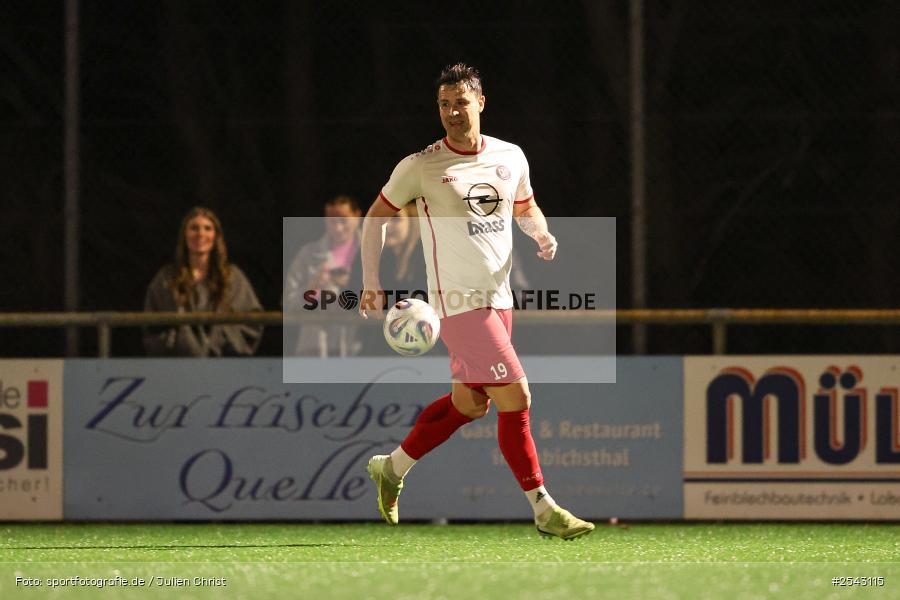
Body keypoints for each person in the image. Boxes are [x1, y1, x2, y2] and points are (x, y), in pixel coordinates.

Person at [359, 63, 594, 540]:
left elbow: (526, 207)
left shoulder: (511, 157)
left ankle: (392, 467)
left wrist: (541, 232)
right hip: (457, 305)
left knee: (469, 404)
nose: (451, 112)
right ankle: (543, 507)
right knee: (518, 396)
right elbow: (375, 217)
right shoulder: (421, 165)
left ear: (480, 104)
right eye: (443, 104)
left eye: (460, 103)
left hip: (498, 300)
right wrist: (370, 280)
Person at [144, 206, 263, 357]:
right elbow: (151, 325)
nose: (201, 234)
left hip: (224, 367)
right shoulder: (167, 278)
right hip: (178, 367)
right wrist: (180, 340)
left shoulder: (233, 278)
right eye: (194, 228)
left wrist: (220, 339)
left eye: (207, 228)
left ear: (215, 236)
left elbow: (252, 322)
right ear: (184, 235)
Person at [283, 195, 363, 356]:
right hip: (316, 348)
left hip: (357, 346)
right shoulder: (308, 255)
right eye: (331, 221)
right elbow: (288, 304)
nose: (337, 228)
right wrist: (312, 287)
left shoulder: (376, 253)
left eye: (343, 220)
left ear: (357, 216)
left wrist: (352, 286)